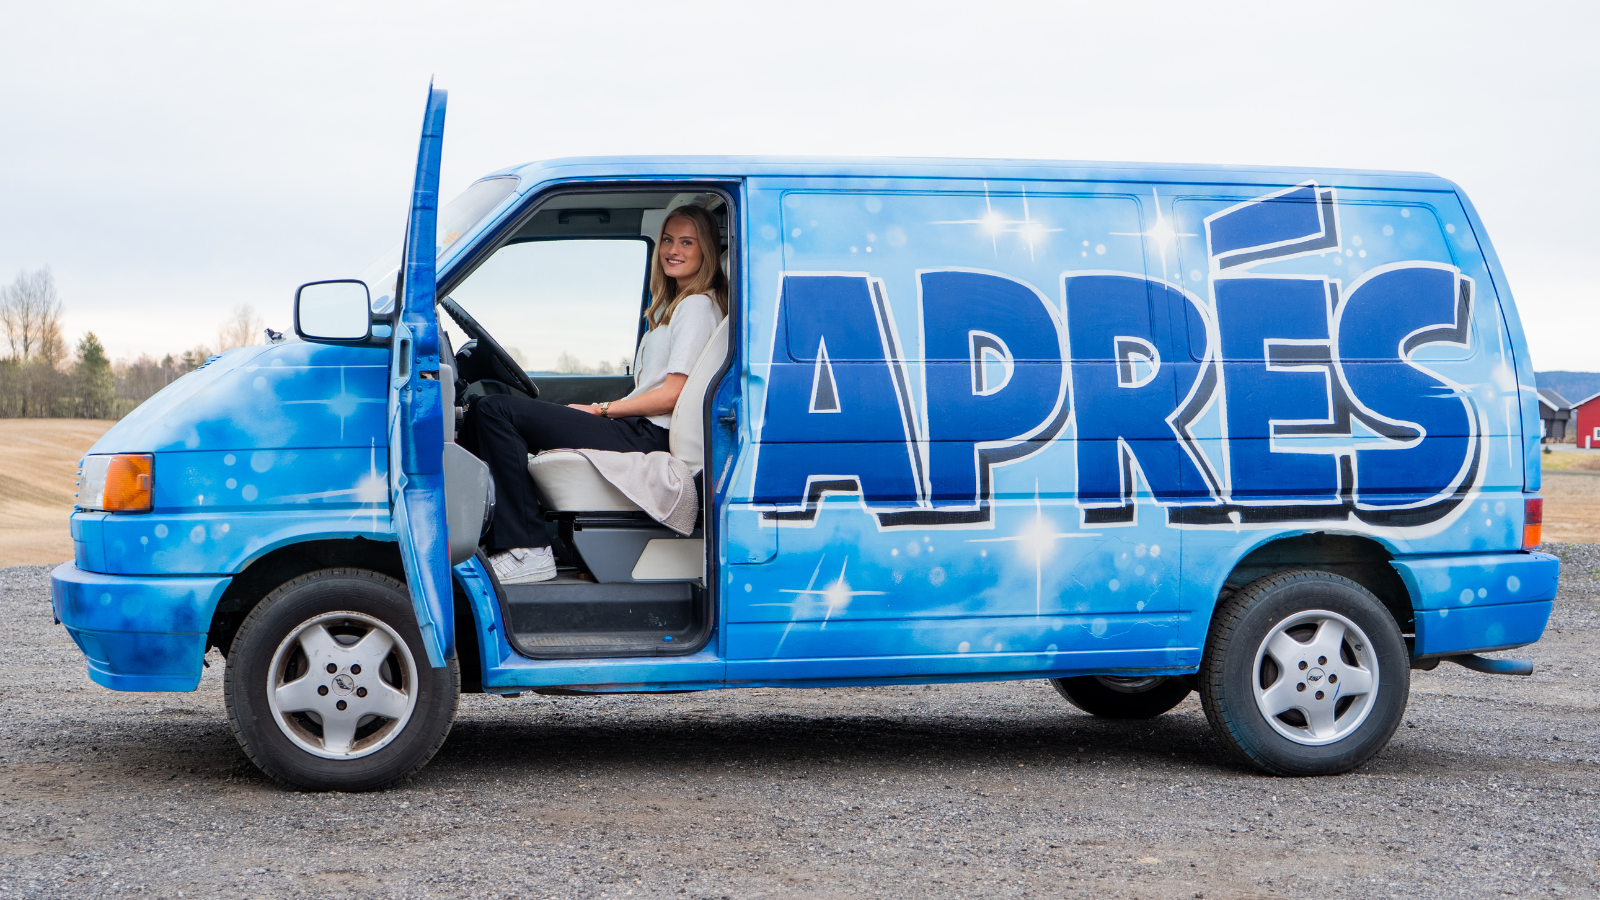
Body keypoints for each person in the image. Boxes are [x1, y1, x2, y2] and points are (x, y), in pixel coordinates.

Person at [461, 204, 728, 584]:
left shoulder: (697, 307)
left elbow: (672, 395)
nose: (673, 250)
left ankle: (527, 549)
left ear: (706, 252)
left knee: (494, 410)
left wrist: (601, 410)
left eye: (688, 242)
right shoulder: (673, 307)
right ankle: (499, 541)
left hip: (649, 434)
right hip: (641, 427)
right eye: (668, 240)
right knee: (481, 411)